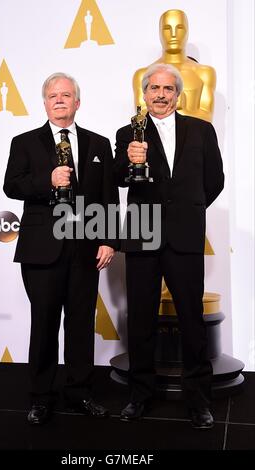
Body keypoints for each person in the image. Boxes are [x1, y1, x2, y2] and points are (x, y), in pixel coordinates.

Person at [3, 72, 119, 425]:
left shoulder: (99, 144)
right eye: (53, 95)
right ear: (45, 103)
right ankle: (40, 397)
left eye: (66, 95)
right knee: (44, 324)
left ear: (77, 102)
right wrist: (47, 181)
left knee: (81, 324)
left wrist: (108, 238)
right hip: (42, 250)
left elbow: (108, 196)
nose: (59, 100)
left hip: (85, 248)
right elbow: (12, 185)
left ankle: (80, 392)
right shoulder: (24, 141)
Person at [113, 63, 224, 429]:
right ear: (143, 94)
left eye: (168, 89)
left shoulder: (202, 130)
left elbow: (215, 181)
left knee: (192, 319)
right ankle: (139, 396)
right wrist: (129, 162)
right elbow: (116, 178)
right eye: (154, 89)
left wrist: (188, 211)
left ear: (178, 95)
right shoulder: (128, 132)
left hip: (185, 235)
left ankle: (199, 400)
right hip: (143, 233)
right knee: (141, 319)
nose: (160, 95)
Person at [133, 9, 216, 122]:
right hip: (154, 139)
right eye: (167, 29)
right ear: (159, 32)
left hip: (193, 138)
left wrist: (170, 111)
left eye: (179, 28)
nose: (173, 34)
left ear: (187, 31)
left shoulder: (204, 73)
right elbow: (141, 118)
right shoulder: (142, 74)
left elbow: (207, 118)